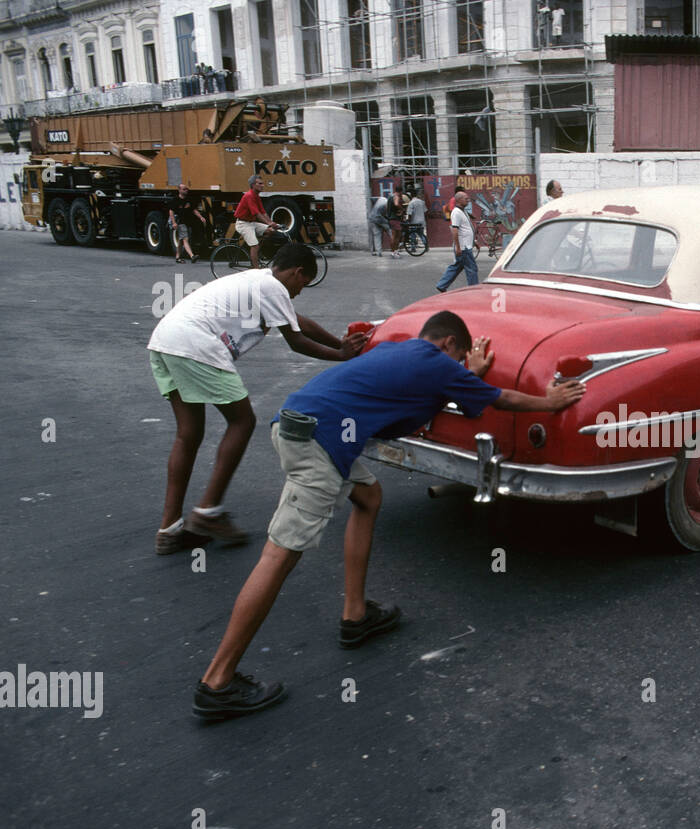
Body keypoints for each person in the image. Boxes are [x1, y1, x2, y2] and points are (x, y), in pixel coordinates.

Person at [190, 310, 587, 720]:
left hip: (298, 427)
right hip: (319, 446)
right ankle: (218, 681)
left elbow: (461, 402)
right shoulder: (435, 362)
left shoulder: (407, 353)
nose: (459, 367)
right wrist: (550, 401)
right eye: (460, 358)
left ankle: (356, 614)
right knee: (279, 556)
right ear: (449, 345)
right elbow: (500, 400)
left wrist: (470, 376)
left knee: (369, 497)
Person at [148, 243, 367, 555]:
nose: (299, 292)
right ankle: (208, 511)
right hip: (195, 343)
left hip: (165, 340)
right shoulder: (272, 285)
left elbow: (297, 321)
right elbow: (296, 341)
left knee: (188, 433)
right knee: (242, 421)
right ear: (297, 272)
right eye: (302, 284)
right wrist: (340, 356)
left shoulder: (258, 281)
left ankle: (169, 529)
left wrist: (340, 345)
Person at [233, 175, 279, 270]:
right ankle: (256, 270)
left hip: (251, 223)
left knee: (271, 231)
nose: (263, 185)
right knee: (255, 245)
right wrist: (269, 223)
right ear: (253, 185)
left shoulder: (256, 196)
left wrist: (272, 223)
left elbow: (263, 212)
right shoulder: (249, 196)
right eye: (260, 183)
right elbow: (257, 214)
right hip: (243, 224)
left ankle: (256, 254)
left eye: (263, 183)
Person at [436, 190, 478, 292]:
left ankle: (442, 285)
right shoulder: (456, 213)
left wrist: (474, 242)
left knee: (457, 267)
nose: (468, 201)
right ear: (459, 200)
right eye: (466, 199)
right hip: (463, 247)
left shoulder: (462, 211)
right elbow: (455, 230)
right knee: (472, 269)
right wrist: (458, 247)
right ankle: (474, 289)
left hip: (466, 245)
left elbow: (466, 229)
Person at [168, 184, 207, 263]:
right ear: (179, 190)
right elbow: (171, 212)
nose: (186, 190)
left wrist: (201, 217)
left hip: (187, 222)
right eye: (184, 189)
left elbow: (194, 210)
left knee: (181, 240)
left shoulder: (188, 199)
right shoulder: (175, 200)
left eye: (186, 189)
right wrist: (174, 223)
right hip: (180, 222)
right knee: (185, 239)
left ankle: (178, 257)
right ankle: (192, 256)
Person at [368, 192, 404, 258]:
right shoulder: (388, 204)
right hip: (380, 218)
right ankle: (395, 247)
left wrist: (374, 207)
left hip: (372, 218)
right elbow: (388, 215)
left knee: (377, 235)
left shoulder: (381, 198)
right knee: (391, 231)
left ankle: (379, 252)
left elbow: (371, 199)